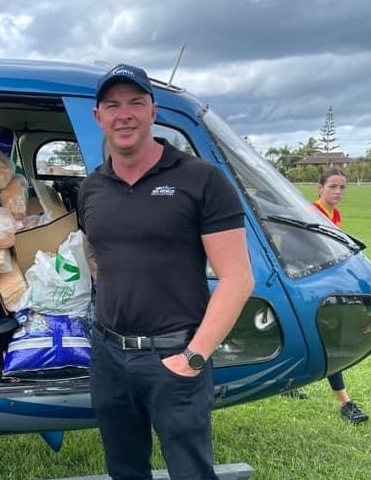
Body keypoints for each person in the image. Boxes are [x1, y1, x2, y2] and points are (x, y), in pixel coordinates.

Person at [77, 63, 254, 480]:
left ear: (153, 111)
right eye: (113, 105)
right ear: (98, 117)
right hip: (109, 356)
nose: (125, 114)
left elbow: (237, 278)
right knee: (124, 469)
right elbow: (97, 255)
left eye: (136, 103)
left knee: (190, 471)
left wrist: (193, 357)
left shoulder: (201, 180)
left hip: (175, 355)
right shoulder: (91, 187)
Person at [312, 167, 369, 425]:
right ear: (320, 187)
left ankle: (288, 384)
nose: (337, 192)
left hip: (329, 284)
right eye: (332, 186)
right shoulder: (312, 212)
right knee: (330, 342)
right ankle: (346, 403)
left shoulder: (335, 214)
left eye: (342, 187)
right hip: (314, 287)